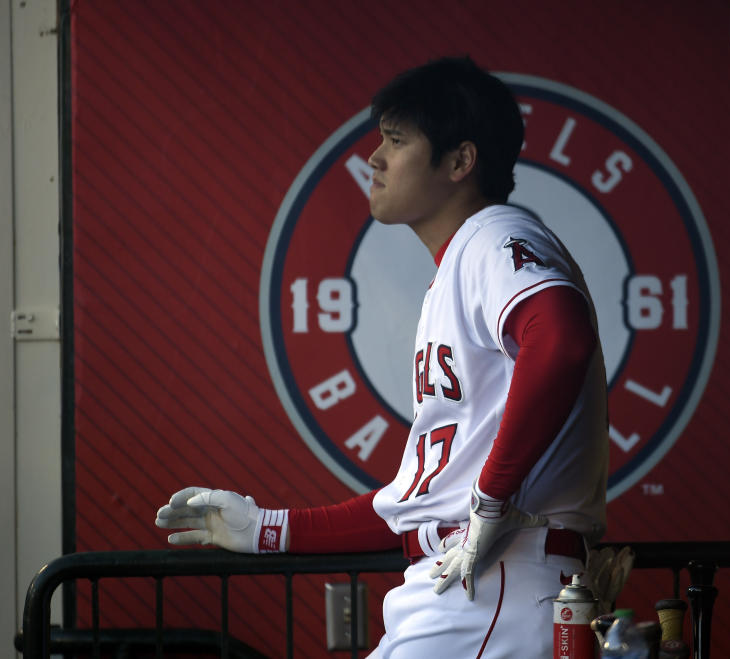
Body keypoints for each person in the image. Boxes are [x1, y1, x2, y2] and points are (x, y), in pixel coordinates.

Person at [156, 56, 609, 658]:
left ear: (459, 161)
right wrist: (270, 529)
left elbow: (559, 337)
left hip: (497, 585)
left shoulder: (495, 234)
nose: (375, 158)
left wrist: (491, 497)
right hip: (467, 585)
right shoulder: (459, 265)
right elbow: (421, 501)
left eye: (396, 141)